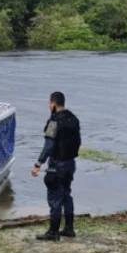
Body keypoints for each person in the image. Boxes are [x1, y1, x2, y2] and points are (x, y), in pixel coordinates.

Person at [31, 91, 81, 241]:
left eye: (49, 103)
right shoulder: (73, 119)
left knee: (54, 198)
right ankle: (69, 228)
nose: (48, 105)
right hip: (70, 163)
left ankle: (53, 232)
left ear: (53, 103)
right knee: (66, 195)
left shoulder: (54, 122)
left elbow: (48, 145)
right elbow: (78, 142)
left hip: (57, 165)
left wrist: (38, 164)